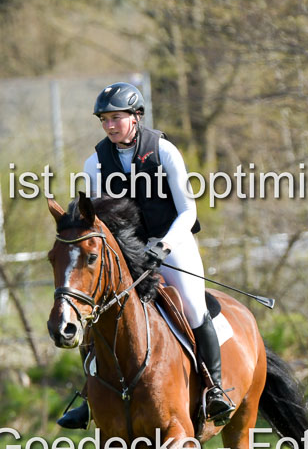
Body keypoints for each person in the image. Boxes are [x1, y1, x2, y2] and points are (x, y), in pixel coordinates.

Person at [57, 80, 236, 428]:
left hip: (171, 242)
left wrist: (165, 244)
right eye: (104, 120)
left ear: (136, 117)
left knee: (193, 305)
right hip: (125, 252)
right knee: (95, 314)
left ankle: (214, 388)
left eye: (116, 118)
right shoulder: (95, 162)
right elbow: (96, 222)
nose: (110, 125)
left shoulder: (164, 151)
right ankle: (90, 396)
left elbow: (189, 212)